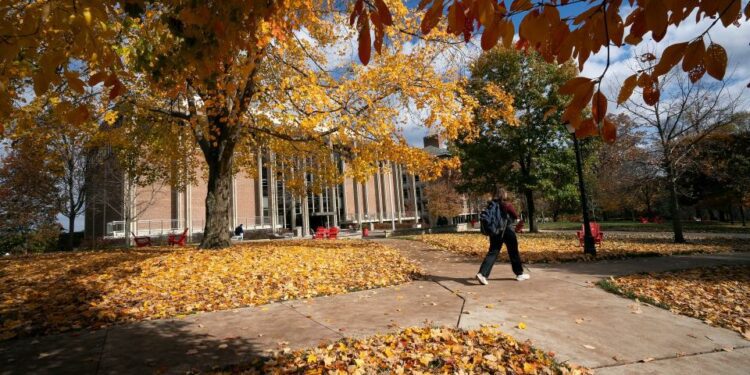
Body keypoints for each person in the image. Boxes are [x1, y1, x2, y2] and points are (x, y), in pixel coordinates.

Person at [476, 188, 530, 285]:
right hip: (507, 231)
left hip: (495, 231)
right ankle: (519, 274)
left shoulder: (491, 205)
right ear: (503, 195)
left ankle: (482, 274)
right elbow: (515, 216)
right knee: (513, 252)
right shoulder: (507, 205)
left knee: (493, 252)